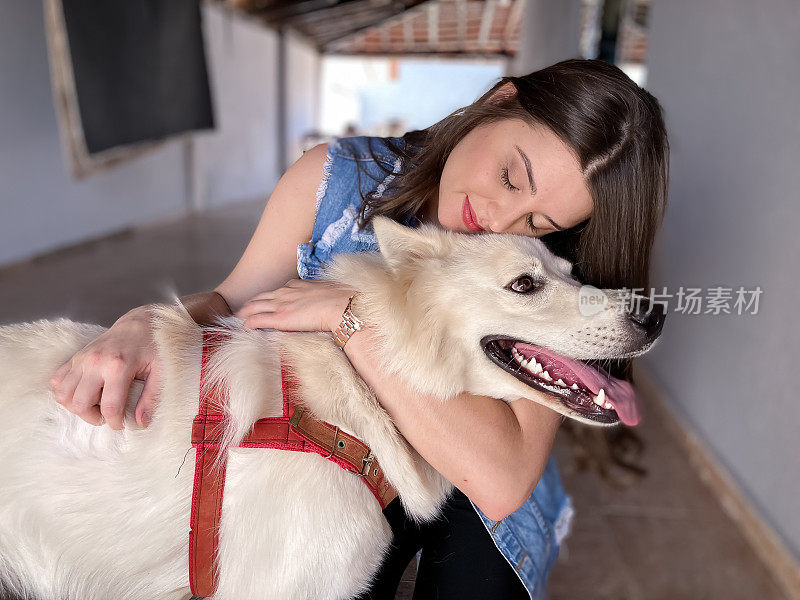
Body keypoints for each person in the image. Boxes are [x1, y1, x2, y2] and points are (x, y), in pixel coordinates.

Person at [48, 59, 669, 599]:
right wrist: (146, 322)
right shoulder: (338, 181)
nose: (502, 219)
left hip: (472, 469)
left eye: (537, 220)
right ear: (497, 100)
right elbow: (234, 300)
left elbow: (501, 479)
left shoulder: (557, 264)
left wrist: (350, 319)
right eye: (512, 177)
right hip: (352, 452)